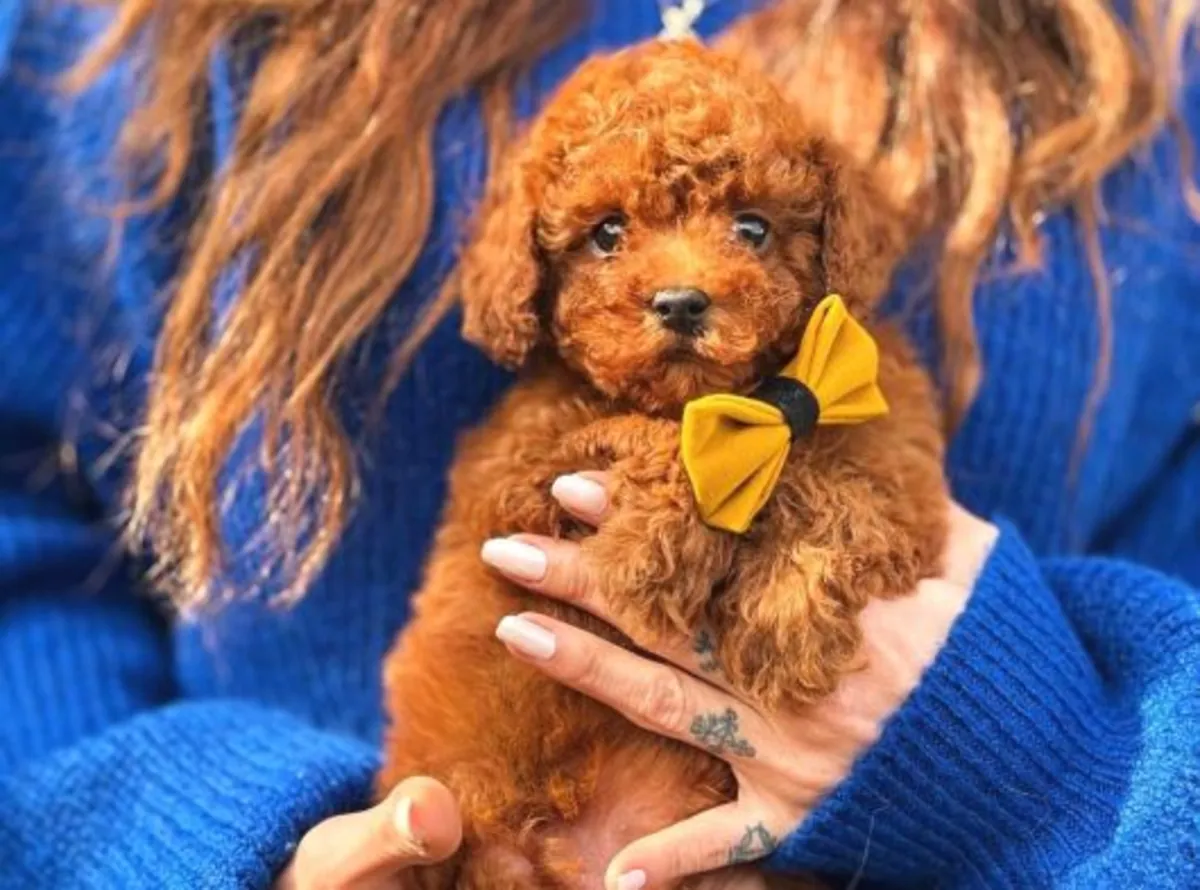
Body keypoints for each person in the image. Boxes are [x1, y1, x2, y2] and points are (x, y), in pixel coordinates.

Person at [0, 1, 1196, 888]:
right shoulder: (116, 36)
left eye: (748, 226)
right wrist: (187, 835)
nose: (681, 276)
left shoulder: (1134, 50)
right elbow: (23, 510)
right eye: (610, 236)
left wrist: (1027, 754)